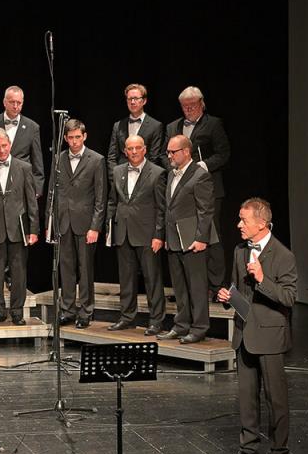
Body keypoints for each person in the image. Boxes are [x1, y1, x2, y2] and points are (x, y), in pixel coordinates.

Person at [218, 198, 297, 454]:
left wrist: (263, 279)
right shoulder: (240, 251)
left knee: (276, 398)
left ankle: (279, 453)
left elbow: (288, 297)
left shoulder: (283, 255)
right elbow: (237, 288)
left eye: (244, 220)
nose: (238, 225)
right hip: (244, 333)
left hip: (270, 336)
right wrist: (227, 297)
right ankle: (248, 449)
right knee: (247, 397)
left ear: (262, 223)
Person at [166, 87, 231, 288]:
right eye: (184, 106)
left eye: (192, 105)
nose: (188, 109)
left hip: (207, 186)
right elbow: (164, 155)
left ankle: (216, 284)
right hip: (181, 189)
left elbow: (223, 154)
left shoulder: (213, 124)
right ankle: (192, 283)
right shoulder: (173, 126)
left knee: (210, 234)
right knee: (182, 233)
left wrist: (203, 165)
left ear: (202, 103)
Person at [0, 129, 39, 325]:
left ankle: (17, 312)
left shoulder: (24, 168)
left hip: (18, 229)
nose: (2, 150)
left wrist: (33, 230)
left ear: (10, 145)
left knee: (19, 273)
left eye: (4, 146)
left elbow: (31, 201)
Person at [159, 135, 219, 343]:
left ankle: (200, 327)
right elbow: (169, 208)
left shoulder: (200, 175)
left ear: (186, 151)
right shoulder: (172, 174)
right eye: (168, 152)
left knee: (197, 286)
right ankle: (181, 324)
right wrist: (166, 237)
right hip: (174, 239)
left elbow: (206, 210)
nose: (169, 156)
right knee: (179, 287)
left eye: (172, 152)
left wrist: (201, 238)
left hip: (193, 241)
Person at [106, 135, 166, 333]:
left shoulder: (157, 173)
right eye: (130, 148)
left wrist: (158, 235)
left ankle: (156, 320)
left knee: (152, 279)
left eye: (137, 148)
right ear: (125, 151)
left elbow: (161, 208)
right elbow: (113, 201)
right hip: (123, 232)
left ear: (144, 149)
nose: (133, 152)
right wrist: (110, 230)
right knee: (126, 278)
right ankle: (127, 317)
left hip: (147, 234)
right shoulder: (117, 171)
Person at [51, 119, 106, 328]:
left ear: (84, 136)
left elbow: (101, 197)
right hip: (63, 222)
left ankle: (85, 311)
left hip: (86, 224)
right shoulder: (59, 158)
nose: (74, 141)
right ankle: (67, 310)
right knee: (66, 269)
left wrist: (95, 227)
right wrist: (51, 222)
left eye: (78, 137)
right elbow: (52, 192)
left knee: (85, 270)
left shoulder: (96, 160)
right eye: (71, 138)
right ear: (65, 138)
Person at [0, 85, 44, 193]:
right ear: (4, 102)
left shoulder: (32, 127)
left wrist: (37, 189)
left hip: (21, 186)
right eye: (12, 102)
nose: (15, 106)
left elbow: (37, 161)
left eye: (19, 103)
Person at [106, 83, 166, 176]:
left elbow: (154, 157)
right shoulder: (118, 126)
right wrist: (115, 178)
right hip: (122, 177)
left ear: (144, 101)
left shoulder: (155, 126)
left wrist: (144, 179)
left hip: (145, 177)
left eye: (136, 98)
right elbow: (112, 157)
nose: (132, 102)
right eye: (130, 99)